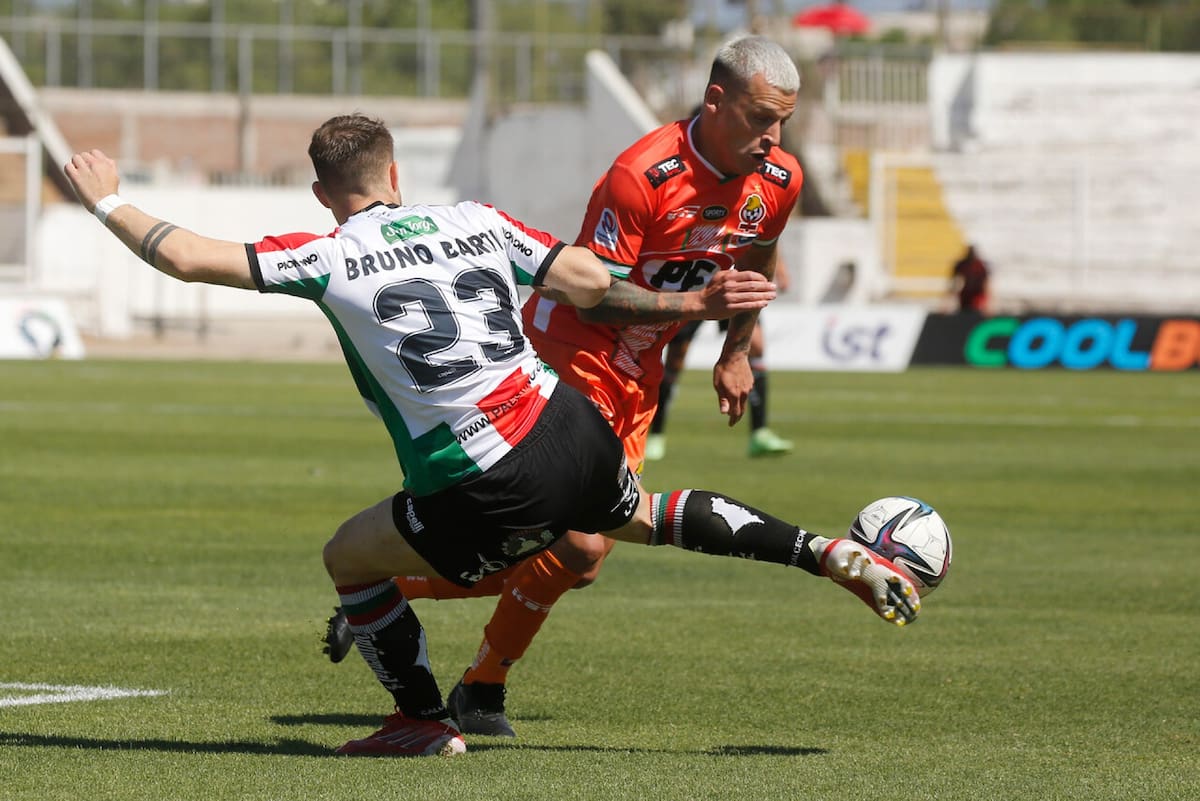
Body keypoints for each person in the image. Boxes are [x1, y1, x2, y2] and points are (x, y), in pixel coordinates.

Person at [67, 113, 920, 758]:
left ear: (324, 195)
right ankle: (827, 552)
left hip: (482, 474)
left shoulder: (322, 253)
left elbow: (183, 256)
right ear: (396, 173)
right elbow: (592, 280)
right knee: (644, 513)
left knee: (349, 557)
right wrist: (688, 304)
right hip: (572, 423)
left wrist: (106, 195)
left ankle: (422, 721)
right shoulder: (477, 219)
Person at [328, 36, 834, 740]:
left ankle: (406, 604)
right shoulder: (642, 175)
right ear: (716, 101)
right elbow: (594, 296)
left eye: (783, 121)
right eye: (759, 118)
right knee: (581, 544)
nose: (772, 138)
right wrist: (697, 313)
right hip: (570, 355)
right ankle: (476, 681)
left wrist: (737, 351)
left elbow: (755, 255)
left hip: (641, 373)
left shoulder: (779, 178)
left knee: (574, 561)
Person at [644, 254, 794, 462]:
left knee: (756, 347)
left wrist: (781, 268)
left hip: (733, 283)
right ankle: (655, 434)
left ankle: (760, 433)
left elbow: (766, 234)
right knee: (675, 360)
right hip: (698, 285)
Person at [950, 243, 989, 313]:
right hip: (966, 294)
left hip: (977, 294)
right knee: (965, 311)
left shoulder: (979, 265)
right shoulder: (963, 264)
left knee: (976, 312)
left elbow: (985, 281)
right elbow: (954, 278)